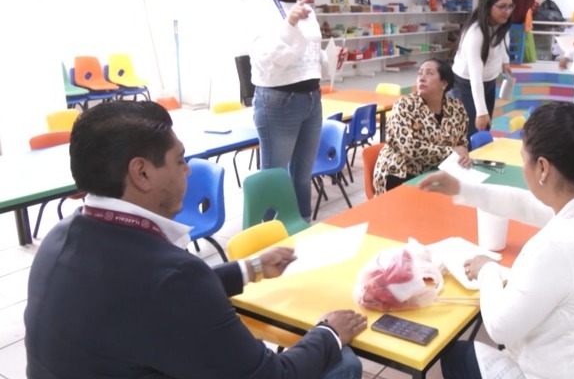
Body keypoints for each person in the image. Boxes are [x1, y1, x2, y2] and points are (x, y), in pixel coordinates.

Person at [24, 101, 367, 379]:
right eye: (179, 160)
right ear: (141, 173)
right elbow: (270, 375)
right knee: (342, 363)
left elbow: (154, 295)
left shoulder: (59, 238)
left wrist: (252, 268)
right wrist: (329, 332)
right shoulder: (173, 278)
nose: (187, 170)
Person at [419, 102, 574, 379]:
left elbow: (500, 327)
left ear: (542, 167)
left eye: (523, 158)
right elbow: (527, 205)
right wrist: (461, 189)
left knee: (457, 356)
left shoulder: (557, 248)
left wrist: (486, 269)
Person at [248, 0, 342, 221]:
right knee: (275, 177)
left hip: (311, 98)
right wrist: (289, 23)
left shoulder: (307, 8)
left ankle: (301, 226)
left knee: (302, 175)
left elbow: (308, 53)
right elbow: (268, 60)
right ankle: (269, 236)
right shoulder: (261, 8)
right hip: (278, 101)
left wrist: (329, 60)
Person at [373, 58, 470, 195]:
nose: (422, 78)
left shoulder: (456, 108)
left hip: (437, 169)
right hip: (400, 172)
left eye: (429, 73)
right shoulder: (405, 106)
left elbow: (461, 143)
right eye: (420, 73)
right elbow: (410, 148)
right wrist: (452, 152)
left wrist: (463, 155)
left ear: (444, 83)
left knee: (464, 193)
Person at [452, 0, 513, 138]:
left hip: (488, 81)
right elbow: (475, 75)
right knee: (471, 131)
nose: (507, 11)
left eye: (510, 6)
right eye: (502, 7)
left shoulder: (501, 23)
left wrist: (505, 61)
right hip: (466, 83)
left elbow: (502, 41)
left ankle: (479, 152)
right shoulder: (475, 33)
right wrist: (481, 111)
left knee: (485, 127)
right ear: (488, 6)